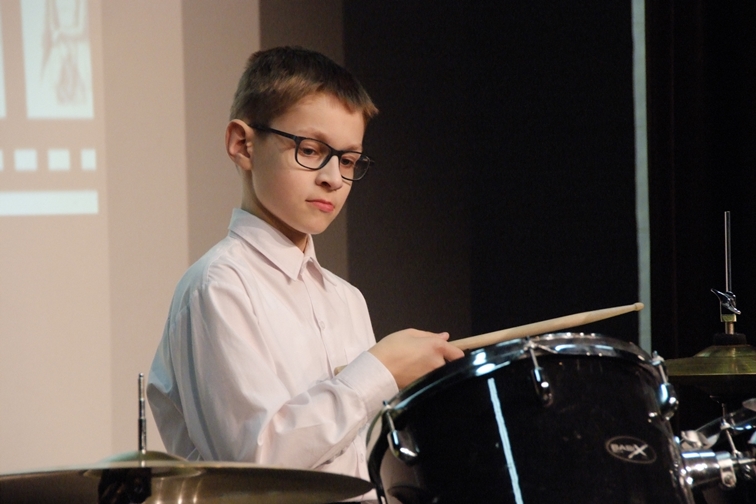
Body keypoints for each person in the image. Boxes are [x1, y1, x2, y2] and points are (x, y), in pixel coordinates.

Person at [147, 46, 464, 501]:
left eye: (348, 160)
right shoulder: (219, 285)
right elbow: (255, 465)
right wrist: (378, 371)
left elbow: (363, 464)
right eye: (311, 150)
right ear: (242, 144)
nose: (333, 178)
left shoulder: (345, 299)